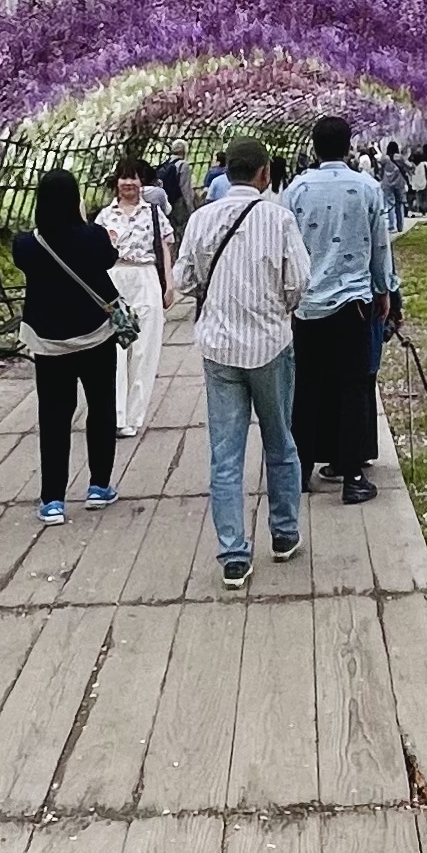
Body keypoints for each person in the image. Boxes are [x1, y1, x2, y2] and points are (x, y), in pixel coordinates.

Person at [175, 133, 308, 588]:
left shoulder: (201, 219)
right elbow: (299, 282)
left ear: (225, 170)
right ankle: (284, 533)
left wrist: (215, 295)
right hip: (270, 345)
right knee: (280, 442)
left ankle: (233, 554)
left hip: (218, 348)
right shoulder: (279, 218)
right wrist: (276, 309)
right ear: (265, 173)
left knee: (226, 454)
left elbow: (184, 279)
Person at [284, 111, 394, 506]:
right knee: (352, 387)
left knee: (307, 387)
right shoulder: (366, 187)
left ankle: (301, 471)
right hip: (353, 303)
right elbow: (380, 245)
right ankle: (352, 476)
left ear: (315, 147)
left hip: (308, 305)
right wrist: (385, 289)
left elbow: (285, 248)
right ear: (348, 147)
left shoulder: (296, 190)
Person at [15, 163, 125, 521]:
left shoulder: (26, 244)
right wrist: (85, 222)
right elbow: (109, 257)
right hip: (96, 337)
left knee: (54, 417)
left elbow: (27, 263)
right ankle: (99, 486)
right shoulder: (94, 236)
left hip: (50, 344)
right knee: (101, 408)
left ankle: (52, 500)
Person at [101, 156, 174, 436]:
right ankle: (116, 415)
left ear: (141, 182)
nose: (128, 183)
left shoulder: (153, 213)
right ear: (116, 182)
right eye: (124, 177)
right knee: (116, 349)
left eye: (133, 177)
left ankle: (134, 416)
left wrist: (169, 284)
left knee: (144, 350)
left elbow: (164, 248)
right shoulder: (105, 216)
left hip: (145, 277)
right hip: (115, 278)